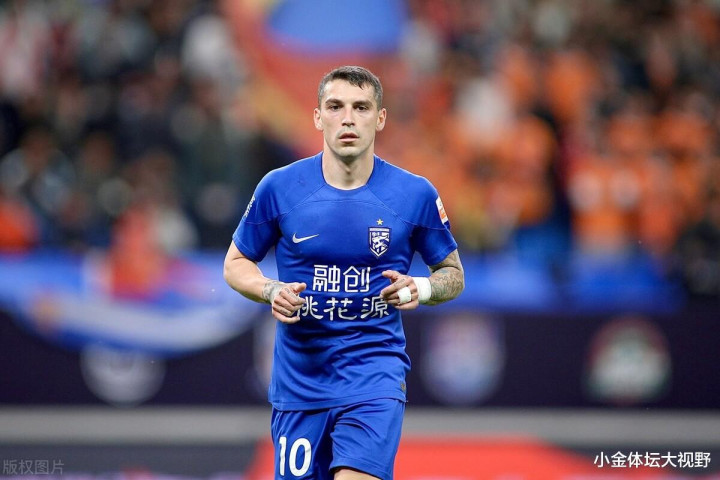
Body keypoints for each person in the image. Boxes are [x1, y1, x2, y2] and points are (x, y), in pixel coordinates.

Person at [224, 65, 464, 480]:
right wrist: (270, 289)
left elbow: (452, 274)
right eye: (335, 107)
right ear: (318, 117)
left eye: (361, 107)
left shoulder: (414, 194)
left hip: (374, 377)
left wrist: (422, 288)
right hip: (301, 384)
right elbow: (235, 263)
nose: (348, 118)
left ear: (380, 118)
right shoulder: (279, 188)